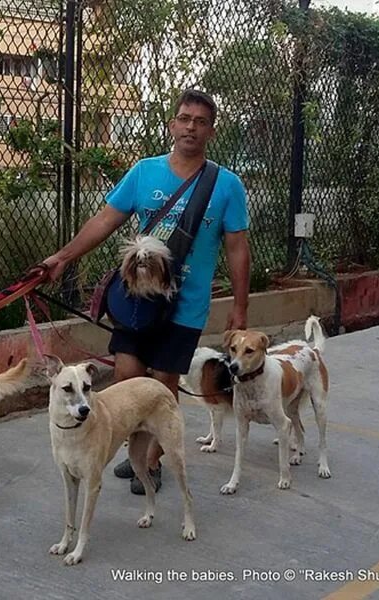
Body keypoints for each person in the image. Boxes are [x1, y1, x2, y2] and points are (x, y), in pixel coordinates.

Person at [39, 89, 250, 494]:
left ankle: (151, 462)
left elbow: (238, 247)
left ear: (211, 130)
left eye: (200, 121)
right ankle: (134, 448)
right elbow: (105, 220)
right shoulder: (144, 172)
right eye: (184, 118)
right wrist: (63, 257)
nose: (191, 127)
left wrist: (240, 307)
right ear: (172, 124)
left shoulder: (226, 185)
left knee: (164, 383)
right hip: (138, 302)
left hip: (186, 305)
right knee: (127, 375)